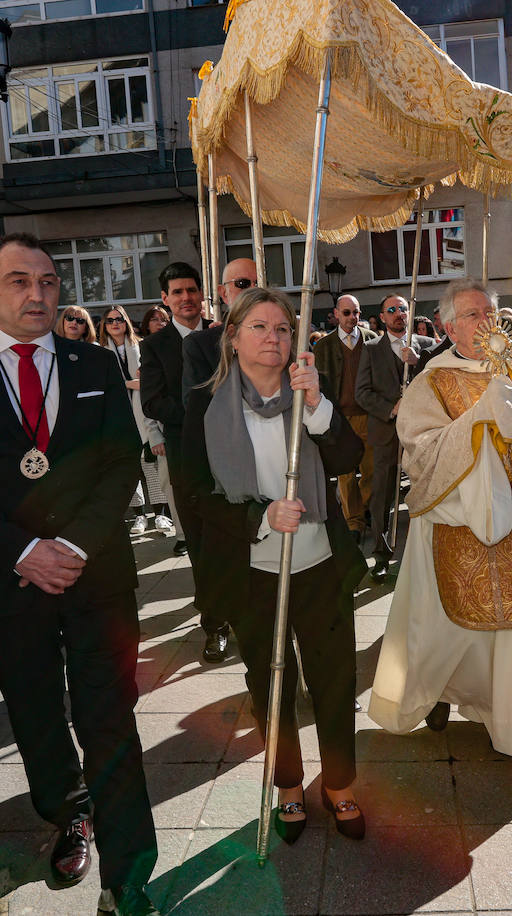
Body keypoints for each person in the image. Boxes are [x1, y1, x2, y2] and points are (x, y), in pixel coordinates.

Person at [0, 234, 158, 915]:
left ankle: (129, 875)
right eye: (19, 280)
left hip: (97, 574)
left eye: (49, 282)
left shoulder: (94, 361)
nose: (38, 294)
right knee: (36, 715)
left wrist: (75, 545)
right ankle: (67, 812)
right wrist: (25, 551)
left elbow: (121, 463)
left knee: (110, 718)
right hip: (7, 580)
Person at [180, 286, 367, 844]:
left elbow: (347, 459)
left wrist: (316, 408)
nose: (273, 338)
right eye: (258, 327)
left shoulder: (309, 389)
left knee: (334, 679)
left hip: (320, 563)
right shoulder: (204, 404)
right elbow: (195, 494)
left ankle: (339, 783)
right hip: (252, 570)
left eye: (283, 329)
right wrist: (261, 517)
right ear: (232, 338)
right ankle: (288, 783)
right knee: (271, 681)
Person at [369, 278, 512, 775]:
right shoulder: (431, 381)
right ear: (448, 326)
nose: (485, 322)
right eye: (473, 314)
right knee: (440, 628)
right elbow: (420, 450)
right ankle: (437, 690)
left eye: (490, 312)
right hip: (453, 518)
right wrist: (480, 421)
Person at [140, 262, 224, 657]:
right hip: (188, 455)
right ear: (165, 299)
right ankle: (214, 623)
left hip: (234, 450)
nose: (186, 298)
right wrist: (202, 414)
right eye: (177, 292)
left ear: (202, 294)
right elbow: (153, 401)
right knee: (202, 540)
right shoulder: (154, 346)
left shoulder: (223, 333)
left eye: (192, 290)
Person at [353, 293, 437, 580]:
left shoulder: (426, 345)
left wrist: (418, 363)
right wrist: (391, 408)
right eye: (392, 310)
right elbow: (361, 393)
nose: (399, 313)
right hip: (387, 432)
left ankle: (425, 554)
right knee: (382, 496)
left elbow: (441, 381)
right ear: (383, 317)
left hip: (422, 434)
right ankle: (380, 555)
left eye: (403, 308)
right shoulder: (372, 349)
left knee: (427, 491)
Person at [98, 304, 174, 539]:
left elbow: (149, 382)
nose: (115, 324)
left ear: (126, 322)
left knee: (151, 463)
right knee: (129, 467)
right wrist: (129, 383)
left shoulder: (141, 346)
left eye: (119, 319)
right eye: (110, 320)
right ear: (104, 326)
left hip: (145, 415)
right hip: (117, 417)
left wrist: (122, 384)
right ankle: (139, 514)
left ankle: (161, 513)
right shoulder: (100, 352)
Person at [313, 294, 379, 540]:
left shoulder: (372, 340)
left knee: (371, 470)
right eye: (347, 313)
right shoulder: (324, 346)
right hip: (341, 418)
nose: (353, 318)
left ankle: (363, 509)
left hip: (369, 415)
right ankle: (354, 523)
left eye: (357, 312)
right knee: (346, 474)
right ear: (337, 314)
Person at [182, 258, 258, 393]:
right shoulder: (203, 344)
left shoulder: (286, 335)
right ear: (223, 293)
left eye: (259, 283)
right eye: (242, 283)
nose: (253, 290)